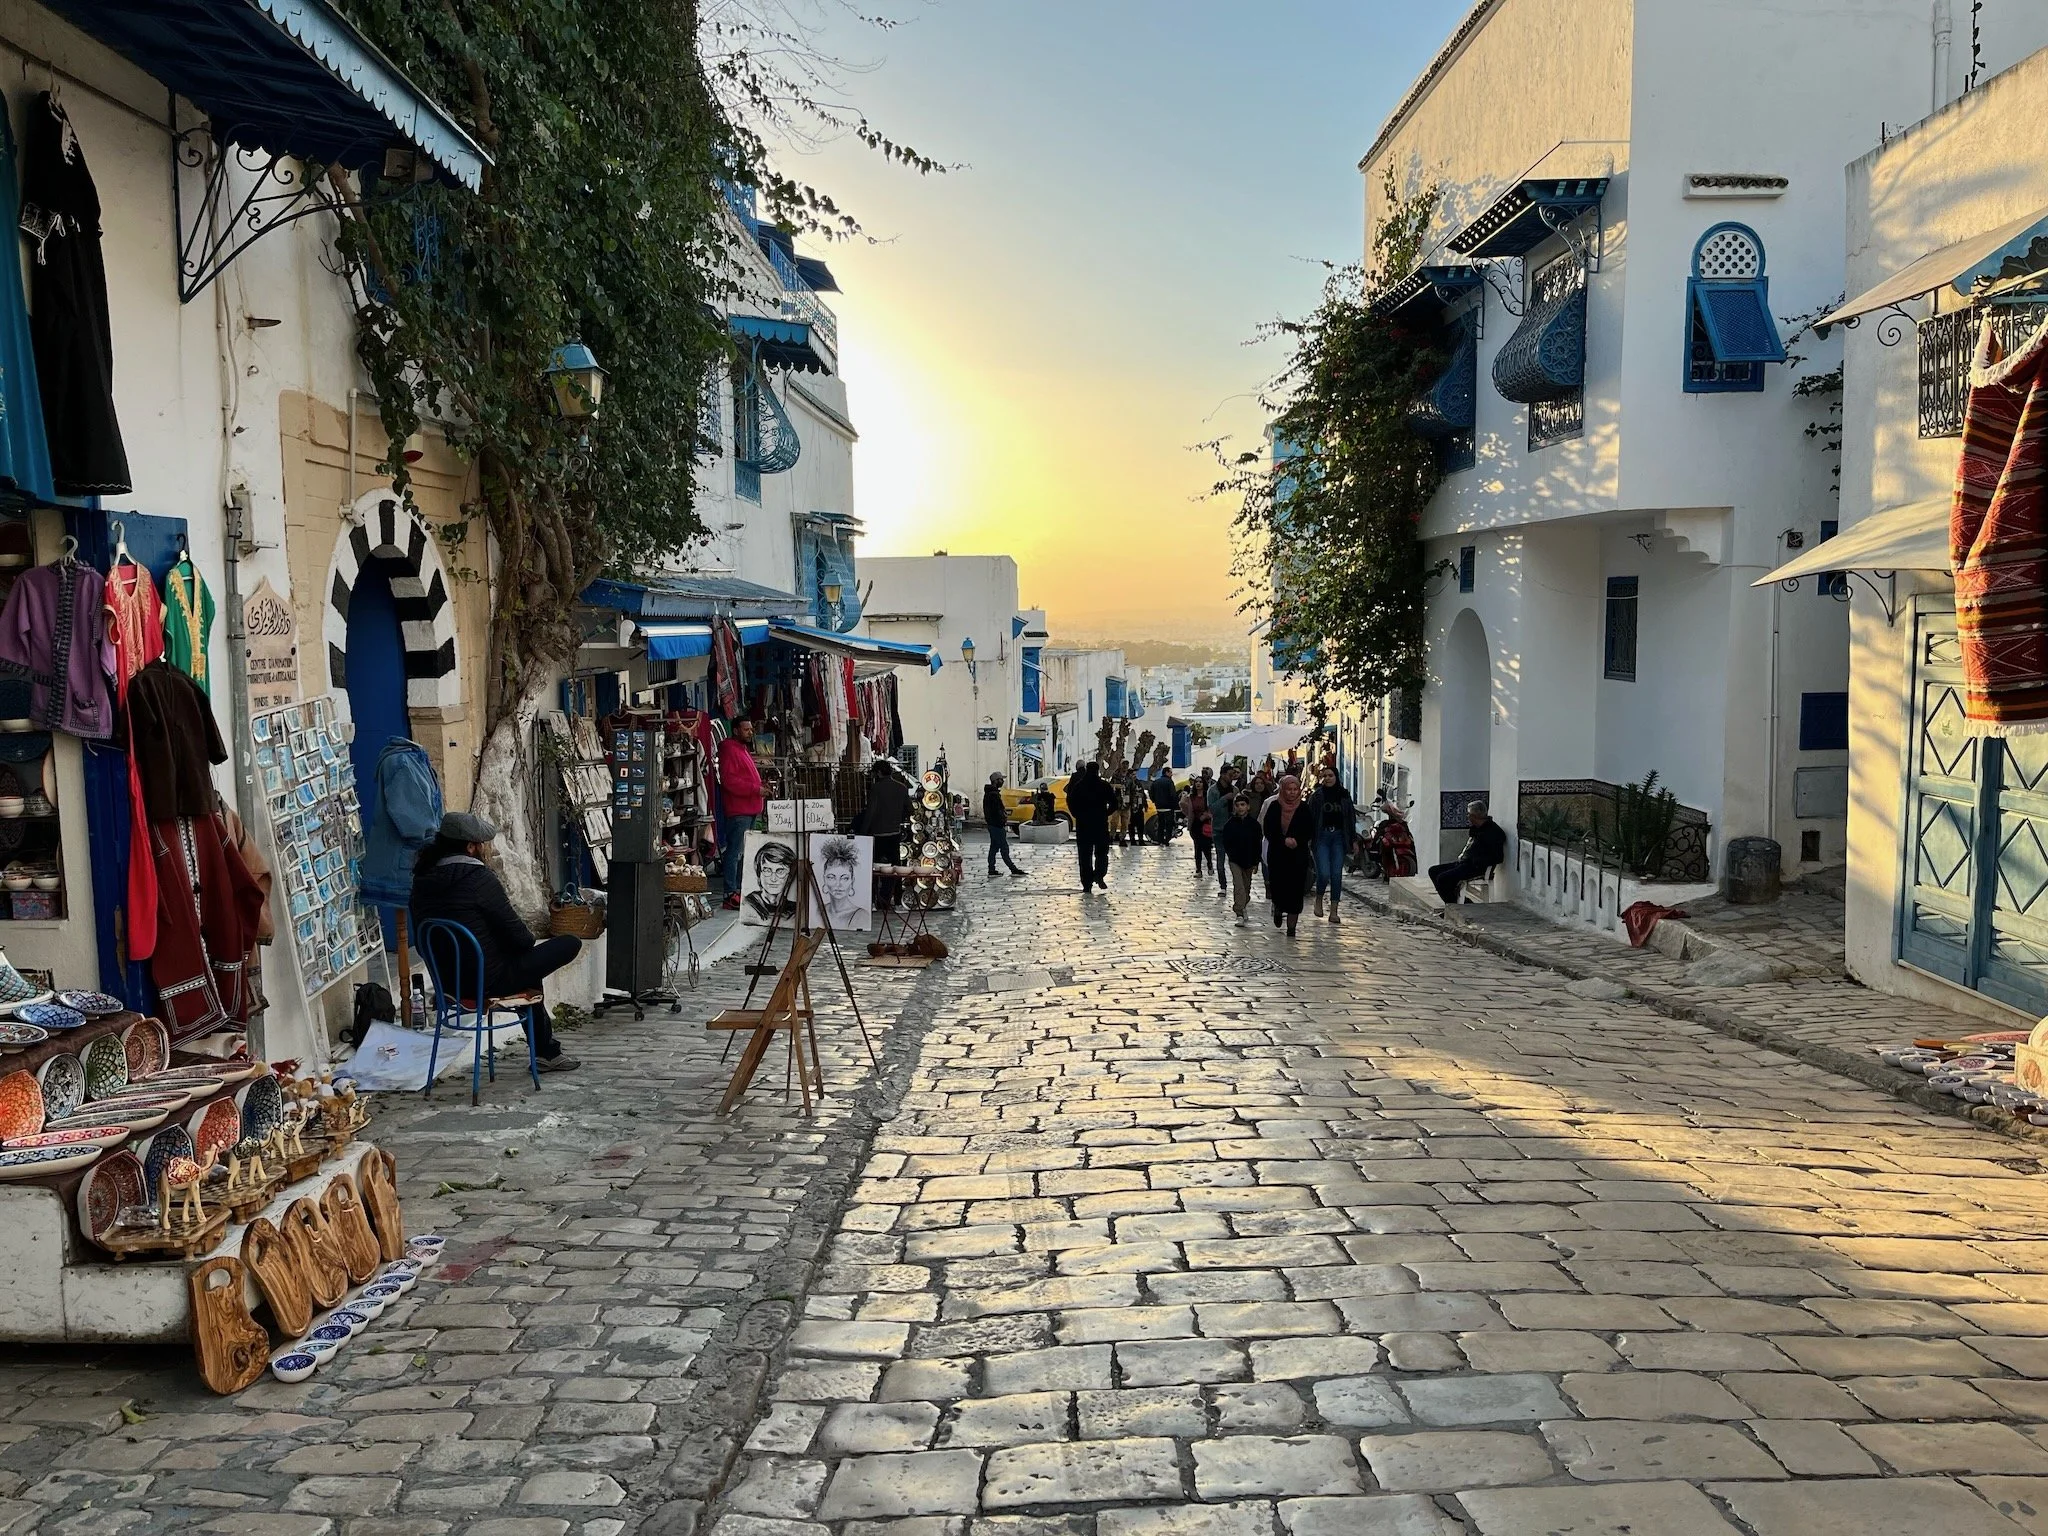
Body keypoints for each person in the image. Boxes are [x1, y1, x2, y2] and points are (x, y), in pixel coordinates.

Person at [410, 811, 580, 1073]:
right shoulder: (479, 879)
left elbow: (422, 943)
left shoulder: (421, 881)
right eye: (482, 845)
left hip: (447, 983)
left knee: (527, 972)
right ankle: (546, 1052)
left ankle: (547, 1052)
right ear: (471, 847)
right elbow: (522, 939)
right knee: (569, 943)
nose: (485, 850)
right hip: (486, 982)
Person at [716, 718, 766, 910]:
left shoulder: (741, 749)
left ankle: (739, 889)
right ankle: (731, 892)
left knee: (744, 853)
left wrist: (759, 789)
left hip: (750, 808)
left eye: (751, 729)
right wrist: (756, 789)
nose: (750, 732)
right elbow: (730, 781)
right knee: (735, 852)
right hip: (739, 810)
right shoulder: (729, 749)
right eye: (746, 729)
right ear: (736, 730)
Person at [1262, 774, 1313, 936]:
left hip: (1298, 855)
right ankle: (1278, 907)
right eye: (1289, 789)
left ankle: (1292, 927)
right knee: (1278, 886)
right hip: (1278, 854)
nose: (1292, 792)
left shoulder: (1304, 808)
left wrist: (1297, 840)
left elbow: (1309, 829)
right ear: (1283, 790)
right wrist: (1283, 840)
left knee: (1296, 889)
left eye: (1295, 789)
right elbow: (1268, 829)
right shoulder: (1274, 807)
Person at [1430, 800, 1509, 904]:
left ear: (1476, 815)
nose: (1468, 817)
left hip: (1475, 867)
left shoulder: (1493, 832)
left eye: (1469, 814)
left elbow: (1498, 857)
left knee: (1443, 878)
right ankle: (1456, 900)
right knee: (1433, 871)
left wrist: (1475, 861)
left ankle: (1454, 904)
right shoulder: (1477, 829)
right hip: (1464, 863)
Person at [1304, 764, 1356, 924]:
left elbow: (1350, 819)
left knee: (1336, 875)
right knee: (1324, 873)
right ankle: (1319, 899)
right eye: (1324, 776)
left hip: (1339, 837)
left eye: (1330, 775)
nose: (1327, 778)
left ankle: (1334, 911)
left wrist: (1353, 840)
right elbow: (1309, 818)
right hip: (1322, 837)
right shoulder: (1317, 796)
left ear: (1336, 777)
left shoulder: (1344, 796)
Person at [1067, 760, 1116, 893]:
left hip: (1084, 825)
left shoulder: (1079, 786)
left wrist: (1077, 814)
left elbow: (1070, 801)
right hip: (1100, 824)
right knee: (1101, 853)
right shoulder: (1104, 785)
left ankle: (1087, 884)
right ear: (1098, 770)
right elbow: (1114, 803)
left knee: (1085, 855)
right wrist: (1106, 813)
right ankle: (1099, 875)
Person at [1219, 793, 1264, 926]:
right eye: (1237, 805)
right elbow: (1226, 842)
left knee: (1246, 888)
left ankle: (1243, 906)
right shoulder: (1230, 825)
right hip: (1235, 860)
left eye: (1243, 805)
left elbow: (1257, 844)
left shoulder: (1254, 825)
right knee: (1238, 886)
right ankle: (1238, 912)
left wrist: (1256, 862)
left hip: (1249, 861)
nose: (1240, 808)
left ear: (1248, 806)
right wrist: (1231, 854)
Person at [745, 838, 798, 921]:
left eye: (780, 871)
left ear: (790, 876)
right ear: (759, 873)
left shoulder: (793, 910)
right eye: (767, 870)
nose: (773, 879)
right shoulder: (749, 904)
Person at [983, 772, 1023, 877]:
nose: (1003, 781)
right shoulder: (993, 795)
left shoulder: (990, 793)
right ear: (996, 781)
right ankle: (1013, 868)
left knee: (994, 848)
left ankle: (992, 869)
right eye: (1001, 779)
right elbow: (997, 811)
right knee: (1004, 848)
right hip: (996, 825)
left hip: (994, 825)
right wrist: (1002, 819)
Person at [1207, 767, 1240, 895]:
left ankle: (1238, 885)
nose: (1232, 777)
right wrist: (1224, 799)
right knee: (1220, 859)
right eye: (1230, 774)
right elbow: (1212, 809)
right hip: (1218, 829)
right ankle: (1223, 886)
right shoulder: (1213, 790)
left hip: (1234, 829)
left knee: (1235, 860)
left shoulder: (1235, 790)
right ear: (1222, 775)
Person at [1183, 778, 1214, 878]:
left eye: (1200, 782)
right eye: (1196, 782)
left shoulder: (1207, 796)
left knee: (1206, 847)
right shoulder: (1191, 797)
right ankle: (1198, 869)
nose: (1198, 784)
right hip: (1195, 824)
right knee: (1197, 847)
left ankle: (1209, 864)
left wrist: (1207, 815)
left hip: (1206, 823)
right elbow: (1186, 808)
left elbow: (1211, 809)